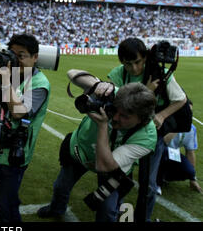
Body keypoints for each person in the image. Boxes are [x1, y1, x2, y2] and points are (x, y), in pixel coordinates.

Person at [37, 70, 157, 222]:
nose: (115, 117)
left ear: (142, 120)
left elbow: (104, 166)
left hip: (111, 166)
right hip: (80, 151)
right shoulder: (120, 96)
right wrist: (98, 85)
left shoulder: (147, 136)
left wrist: (102, 125)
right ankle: (56, 209)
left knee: (107, 210)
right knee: (61, 186)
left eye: (125, 116)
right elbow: (72, 73)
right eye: (115, 110)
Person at [0, 33, 51, 222]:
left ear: (35, 57)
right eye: (12, 54)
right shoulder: (8, 70)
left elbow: (18, 112)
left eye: (21, 55)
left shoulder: (40, 83)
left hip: (13, 154)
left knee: (7, 206)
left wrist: (5, 81)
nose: (16, 60)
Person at [107, 37, 187, 221]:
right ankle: (119, 210)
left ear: (145, 57)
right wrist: (147, 91)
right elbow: (118, 102)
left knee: (149, 184)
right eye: (128, 64)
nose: (134, 68)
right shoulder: (117, 74)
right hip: (125, 135)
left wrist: (162, 115)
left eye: (138, 62)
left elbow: (181, 99)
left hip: (152, 136)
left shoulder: (160, 73)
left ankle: (143, 218)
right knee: (119, 174)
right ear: (121, 62)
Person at [157, 101, 202, 194]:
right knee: (164, 152)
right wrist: (178, 127)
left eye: (190, 112)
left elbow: (190, 152)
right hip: (157, 151)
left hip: (172, 154)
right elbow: (163, 141)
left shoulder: (191, 129)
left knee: (189, 171)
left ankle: (165, 177)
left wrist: (192, 179)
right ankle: (156, 183)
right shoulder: (165, 121)